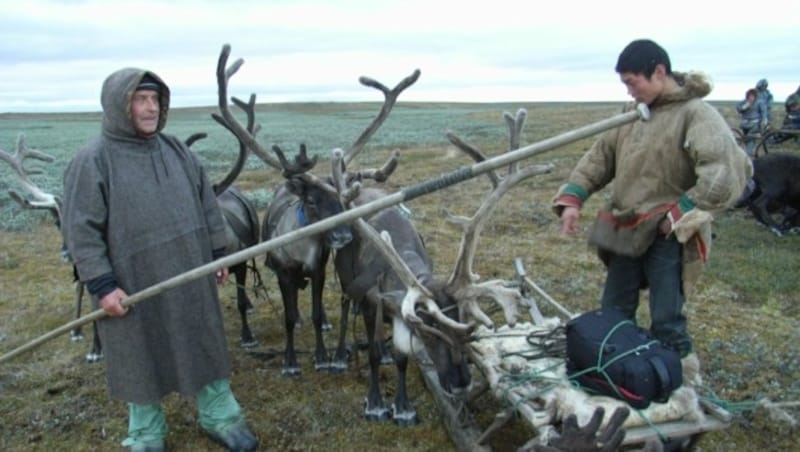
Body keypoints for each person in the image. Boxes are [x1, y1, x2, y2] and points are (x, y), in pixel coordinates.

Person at [61, 68, 258, 452]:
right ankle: (146, 430)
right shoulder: (93, 160)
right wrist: (101, 285)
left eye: (154, 100)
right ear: (120, 106)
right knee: (139, 352)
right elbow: (81, 231)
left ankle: (219, 412)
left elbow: (207, 203)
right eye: (140, 99)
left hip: (190, 273)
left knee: (202, 339)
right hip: (132, 283)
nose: (150, 108)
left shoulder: (177, 151)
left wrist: (218, 254)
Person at [551, 39, 752, 381]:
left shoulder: (696, 114)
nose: (630, 92)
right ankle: (616, 374)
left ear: (659, 71)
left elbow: (724, 170)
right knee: (614, 310)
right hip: (626, 228)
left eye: (633, 82)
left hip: (668, 234)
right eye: (625, 84)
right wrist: (573, 198)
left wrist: (681, 212)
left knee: (666, 319)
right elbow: (600, 158)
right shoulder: (631, 115)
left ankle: (677, 386)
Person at [735, 87, 767, 157]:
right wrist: (744, 107)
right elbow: (738, 107)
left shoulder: (759, 102)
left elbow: (763, 112)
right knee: (746, 139)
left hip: (754, 124)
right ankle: (748, 153)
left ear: (755, 96)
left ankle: (748, 155)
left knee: (750, 138)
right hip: (745, 124)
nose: (751, 98)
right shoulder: (744, 102)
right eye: (749, 96)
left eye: (752, 96)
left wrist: (764, 120)